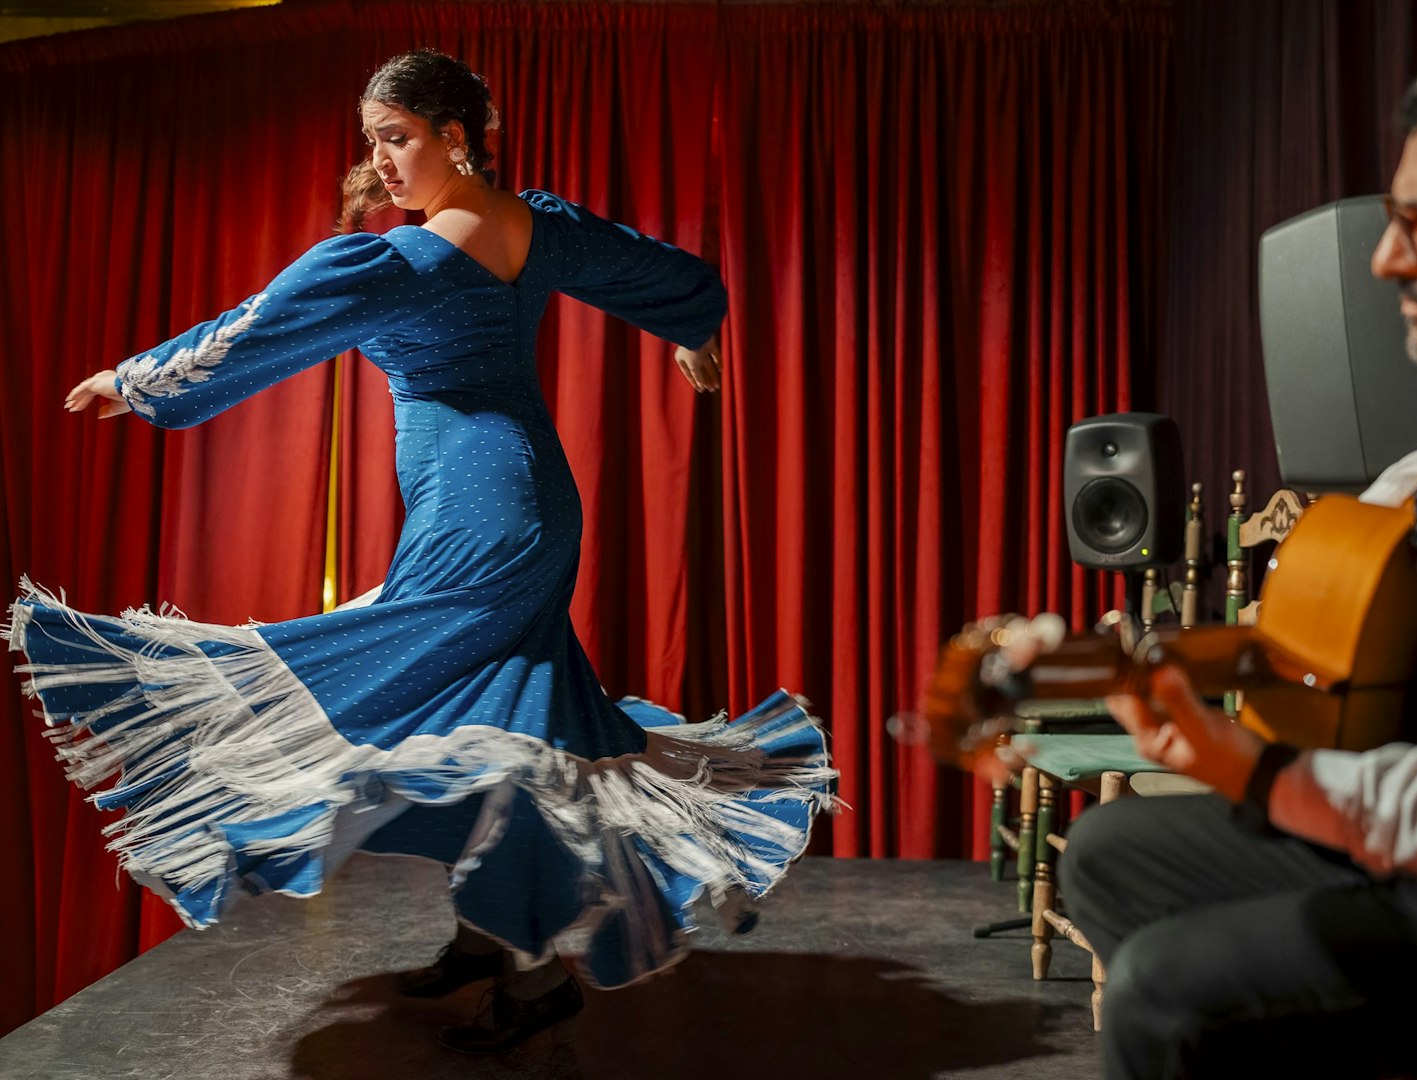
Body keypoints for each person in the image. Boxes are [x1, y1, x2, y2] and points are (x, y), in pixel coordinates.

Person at [7, 48, 836, 1055]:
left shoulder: (404, 262)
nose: (382, 161)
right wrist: (691, 325)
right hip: (512, 498)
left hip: (486, 514)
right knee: (499, 719)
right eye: (372, 142)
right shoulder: (533, 222)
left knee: (493, 723)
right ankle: (487, 937)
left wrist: (133, 380)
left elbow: (257, 331)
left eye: (397, 137)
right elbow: (655, 269)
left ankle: (531, 972)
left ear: (455, 135)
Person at [1057, 21, 1417, 1079]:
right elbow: (1357, 560)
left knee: (1166, 996)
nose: (1385, 258)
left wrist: (1276, 775)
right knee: (1114, 858)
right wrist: (1176, 660)